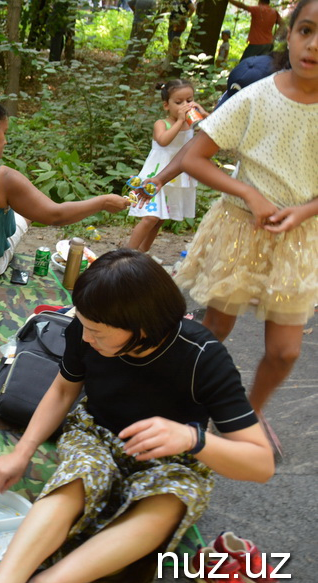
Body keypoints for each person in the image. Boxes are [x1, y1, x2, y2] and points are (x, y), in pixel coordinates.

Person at [0, 248, 274, 583]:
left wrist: (192, 439)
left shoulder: (202, 356)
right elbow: (62, 391)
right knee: (75, 481)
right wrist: (22, 452)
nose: (86, 338)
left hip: (173, 456)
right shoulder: (84, 329)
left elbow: (260, 464)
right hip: (97, 433)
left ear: (143, 325)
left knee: (169, 502)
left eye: (98, 332)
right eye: (84, 326)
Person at [172, 0, 318, 453]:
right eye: (306, 30)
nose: (313, 45)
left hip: (297, 238)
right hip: (239, 227)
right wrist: (249, 194)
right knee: (215, 325)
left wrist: (305, 211)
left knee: (285, 351)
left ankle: (244, 419)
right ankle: (180, 402)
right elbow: (194, 157)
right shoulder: (257, 95)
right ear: (288, 34)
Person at [0, 85, 128, 282]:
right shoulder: (4, 177)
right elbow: (56, 215)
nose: (6, 141)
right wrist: (103, 201)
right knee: (26, 214)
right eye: (4, 132)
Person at [125, 80, 207, 254]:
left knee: (161, 219)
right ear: (166, 105)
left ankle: (141, 254)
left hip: (176, 178)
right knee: (150, 217)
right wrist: (179, 121)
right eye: (178, 102)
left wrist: (204, 114)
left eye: (189, 100)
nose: (185, 106)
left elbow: (215, 129)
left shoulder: (192, 123)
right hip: (156, 175)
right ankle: (125, 254)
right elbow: (163, 141)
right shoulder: (162, 123)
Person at [166, 0, 196, 69]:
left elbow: (193, 9)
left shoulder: (186, 1)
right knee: (171, 41)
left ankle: (173, 65)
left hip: (179, 24)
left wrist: (186, 17)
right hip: (172, 23)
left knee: (175, 42)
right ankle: (169, 63)